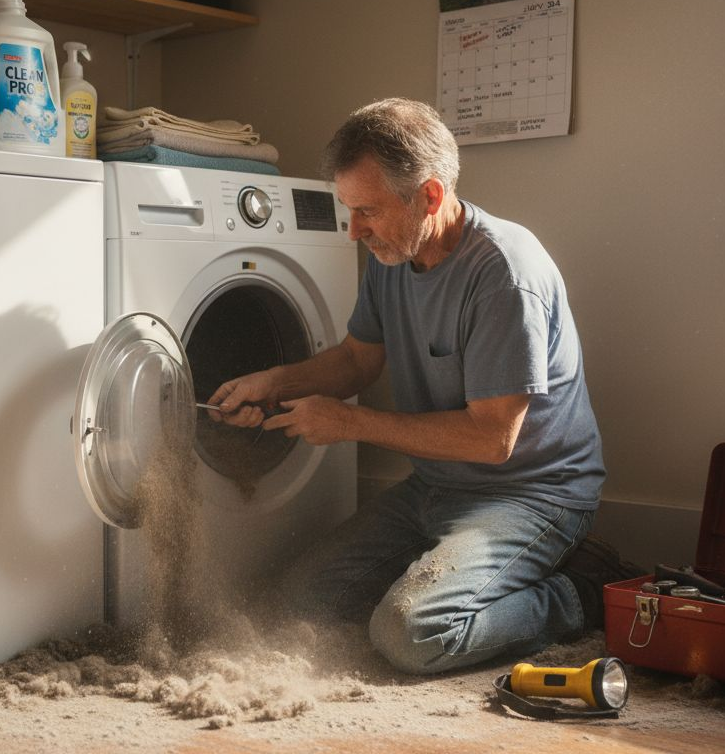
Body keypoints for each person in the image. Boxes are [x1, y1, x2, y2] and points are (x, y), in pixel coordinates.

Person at [207, 98, 640, 674]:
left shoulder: (505, 276)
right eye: (349, 211)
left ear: (430, 197)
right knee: (295, 607)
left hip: (531, 495)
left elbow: (492, 441)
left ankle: (580, 592)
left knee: (411, 633)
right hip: (435, 488)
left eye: (368, 212)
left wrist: (350, 423)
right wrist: (273, 383)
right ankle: (457, 571)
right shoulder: (393, 255)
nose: (354, 231)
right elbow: (357, 360)